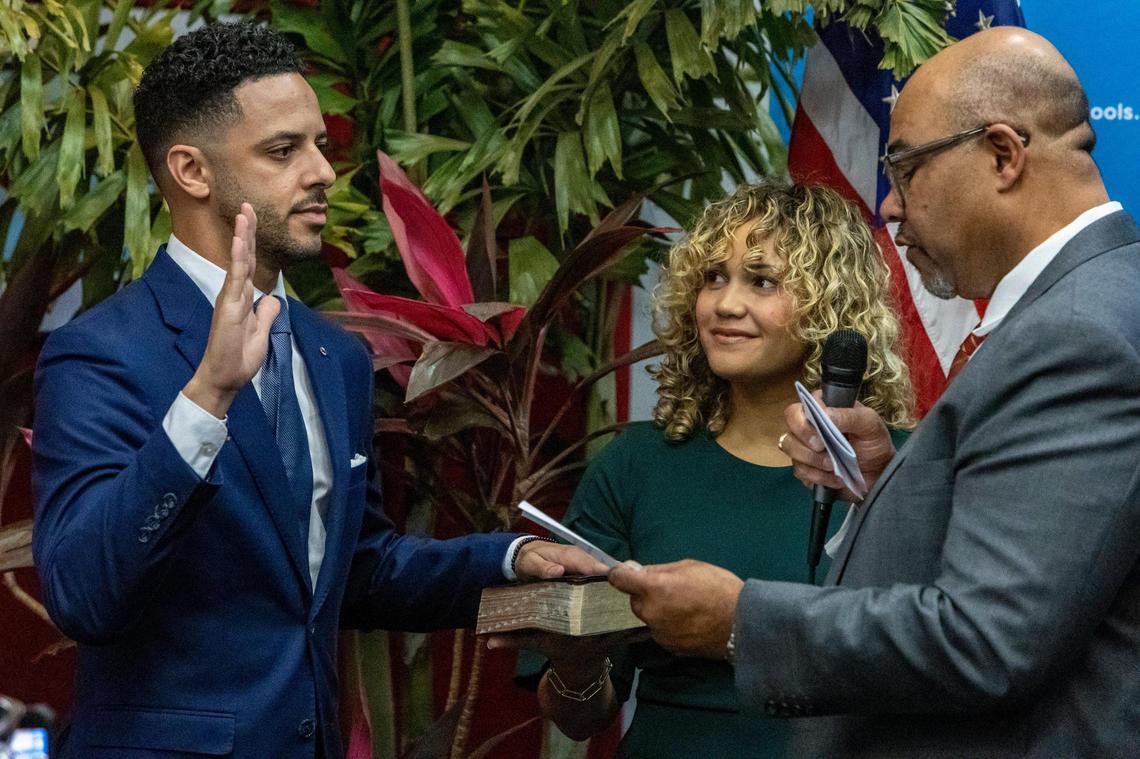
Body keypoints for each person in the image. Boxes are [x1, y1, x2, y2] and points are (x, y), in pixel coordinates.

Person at [30, 23, 605, 758]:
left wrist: (509, 557)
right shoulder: (99, 352)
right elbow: (83, 593)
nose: (324, 171)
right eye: (283, 150)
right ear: (191, 171)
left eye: (320, 144)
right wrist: (207, 396)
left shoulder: (338, 355)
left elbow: (359, 567)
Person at [608, 27, 1140, 758]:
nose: (888, 206)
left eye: (907, 167)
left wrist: (740, 618)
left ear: (1003, 155)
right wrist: (894, 482)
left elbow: (987, 639)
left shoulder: (1078, 334)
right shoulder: (1084, 305)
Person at [500, 182, 913, 758]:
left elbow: (935, 660)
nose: (725, 304)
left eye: (762, 281)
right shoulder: (635, 464)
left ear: (831, 306)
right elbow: (578, 718)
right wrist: (575, 660)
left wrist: (739, 627)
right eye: (713, 278)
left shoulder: (903, 466)